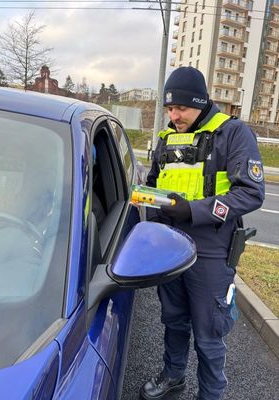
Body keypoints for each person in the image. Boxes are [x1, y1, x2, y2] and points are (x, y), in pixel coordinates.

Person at [140, 67, 265, 400]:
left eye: (180, 108)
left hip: (211, 250)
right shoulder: (167, 139)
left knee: (209, 333)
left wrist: (194, 211)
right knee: (174, 320)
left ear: (200, 102)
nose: (173, 115)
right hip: (171, 247)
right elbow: (153, 185)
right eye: (169, 108)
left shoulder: (233, 134)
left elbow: (250, 193)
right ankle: (173, 377)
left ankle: (211, 394)